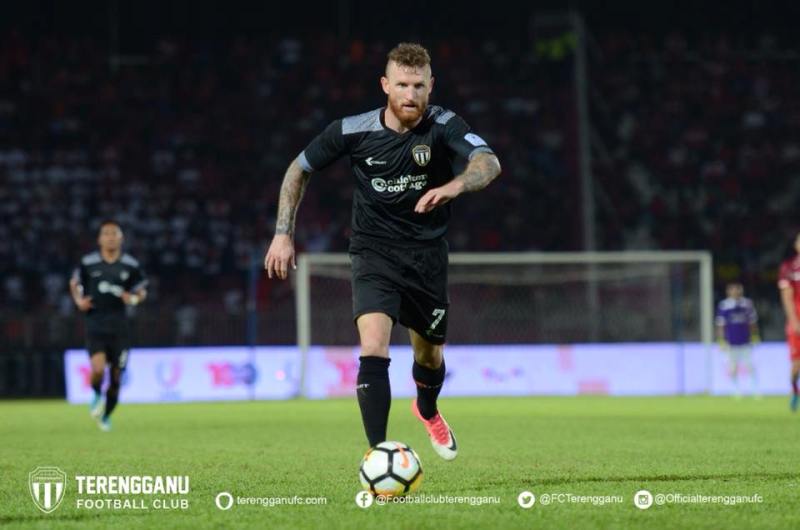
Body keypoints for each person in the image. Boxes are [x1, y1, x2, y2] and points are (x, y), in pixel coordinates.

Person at [265, 42, 501, 460]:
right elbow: (298, 168)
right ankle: (378, 456)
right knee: (373, 345)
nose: (410, 94)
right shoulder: (351, 130)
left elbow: (488, 163)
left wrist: (454, 186)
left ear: (431, 86)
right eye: (402, 85)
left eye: (418, 86)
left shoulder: (444, 124)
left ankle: (427, 409)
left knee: (429, 356)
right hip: (373, 252)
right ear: (385, 85)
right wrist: (283, 233)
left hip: (426, 257)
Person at [70, 220, 148, 431]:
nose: (111, 237)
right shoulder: (88, 262)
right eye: (106, 233)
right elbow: (74, 283)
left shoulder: (130, 264)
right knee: (97, 369)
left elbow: (142, 290)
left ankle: (105, 416)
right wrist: (79, 301)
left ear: (121, 238)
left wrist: (133, 299)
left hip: (120, 327)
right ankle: (96, 393)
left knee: (116, 378)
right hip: (95, 323)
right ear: (100, 239)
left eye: (114, 233)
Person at [715, 282, 759, 398]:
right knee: (733, 367)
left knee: (750, 365)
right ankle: (736, 390)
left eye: (737, 289)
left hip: (745, 341)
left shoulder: (747, 304)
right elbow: (720, 325)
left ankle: (755, 389)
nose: (735, 292)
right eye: (732, 290)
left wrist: (755, 335)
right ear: (728, 292)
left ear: (741, 290)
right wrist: (721, 340)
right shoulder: (724, 305)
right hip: (731, 341)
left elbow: (752, 322)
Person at [778, 232, 800, 412]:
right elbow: (787, 297)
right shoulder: (789, 267)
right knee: (796, 366)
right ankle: (795, 391)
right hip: (797, 321)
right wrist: (794, 321)